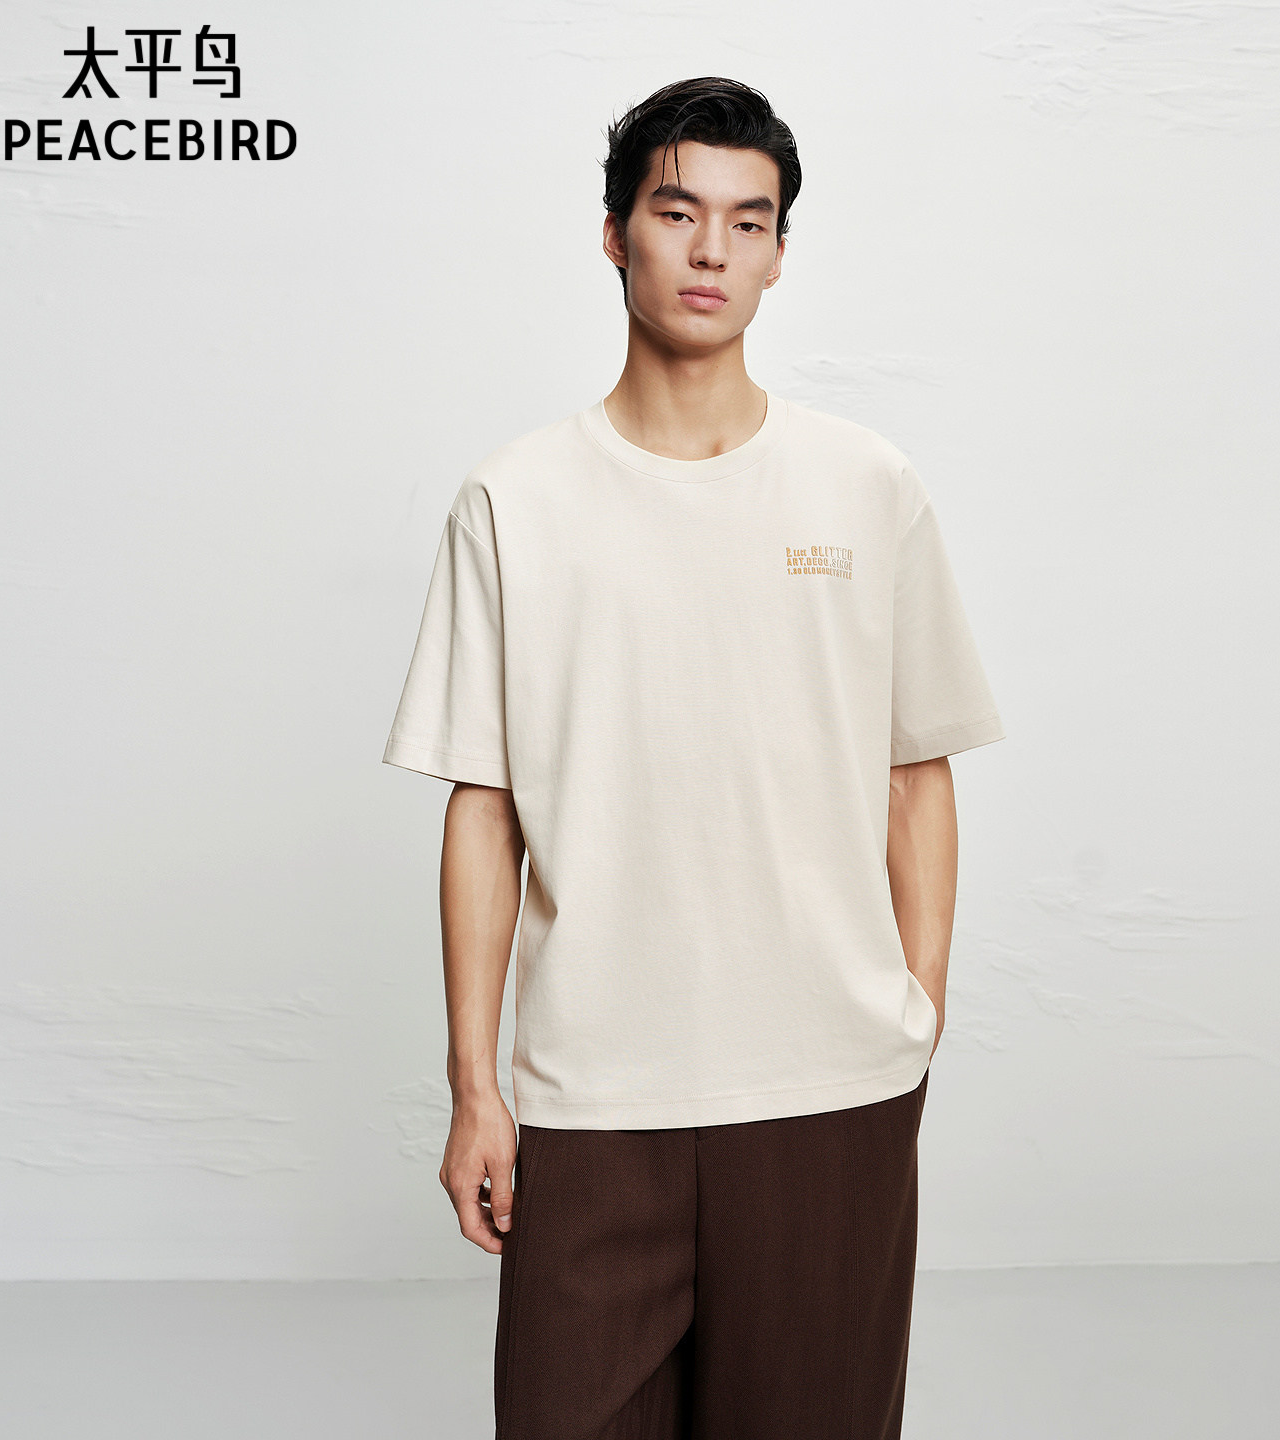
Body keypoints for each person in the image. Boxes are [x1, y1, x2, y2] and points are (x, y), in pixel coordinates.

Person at [381, 75, 1006, 1440]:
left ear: (780, 253)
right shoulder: (515, 500)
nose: (712, 249)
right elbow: (484, 809)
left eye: (748, 220)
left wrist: (916, 1010)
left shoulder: (867, 486)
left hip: (831, 1091)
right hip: (593, 1099)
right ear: (616, 235)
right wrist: (476, 1088)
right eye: (677, 212)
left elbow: (917, 770)